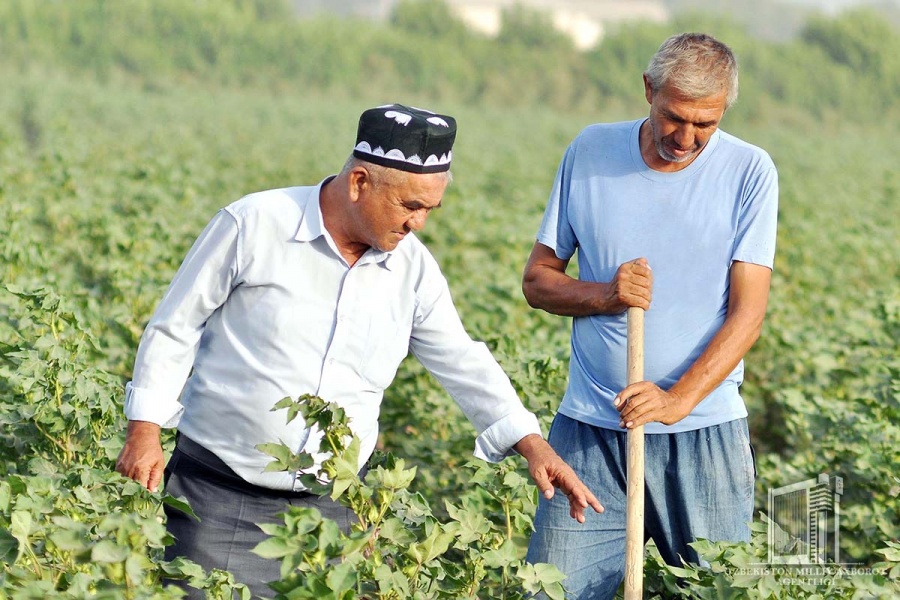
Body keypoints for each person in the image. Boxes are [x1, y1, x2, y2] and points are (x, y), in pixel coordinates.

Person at [114, 103, 602, 598]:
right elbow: (176, 326)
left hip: (335, 512)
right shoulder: (254, 224)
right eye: (410, 206)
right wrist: (144, 431)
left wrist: (531, 442)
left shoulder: (412, 268)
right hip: (219, 498)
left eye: (430, 210)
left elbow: (461, 358)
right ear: (359, 183)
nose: (419, 224)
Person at [523, 33, 778, 598]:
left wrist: (676, 399)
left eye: (704, 125)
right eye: (674, 118)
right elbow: (538, 282)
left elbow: (748, 314)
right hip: (590, 429)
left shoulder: (749, 172)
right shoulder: (589, 152)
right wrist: (606, 295)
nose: (686, 138)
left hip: (704, 434)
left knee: (717, 591)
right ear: (648, 90)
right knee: (550, 591)